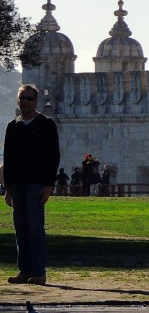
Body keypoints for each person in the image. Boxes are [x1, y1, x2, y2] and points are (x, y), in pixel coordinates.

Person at [3, 83, 61, 285]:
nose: (24, 101)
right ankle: (24, 270)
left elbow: (53, 156)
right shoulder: (13, 127)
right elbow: (8, 159)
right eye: (21, 98)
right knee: (20, 228)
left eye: (28, 98)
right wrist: (7, 187)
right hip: (17, 184)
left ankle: (38, 271)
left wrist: (48, 184)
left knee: (35, 228)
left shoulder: (46, 124)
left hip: (36, 184)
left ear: (35, 101)